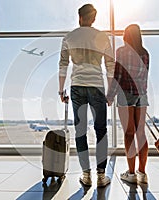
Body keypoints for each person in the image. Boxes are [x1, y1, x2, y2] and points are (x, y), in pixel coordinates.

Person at [58, 4, 115, 187]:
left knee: (80, 131)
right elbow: (110, 66)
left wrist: (61, 90)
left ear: (79, 17)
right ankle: (100, 175)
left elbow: (63, 65)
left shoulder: (69, 37)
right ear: (94, 19)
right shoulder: (103, 37)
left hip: (77, 86)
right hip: (97, 86)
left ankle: (86, 175)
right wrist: (110, 92)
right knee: (101, 131)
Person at [107, 24, 150, 184]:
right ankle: (142, 173)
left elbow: (118, 76)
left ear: (126, 36)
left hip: (126, 94)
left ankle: (131, 174)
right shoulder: (145, 53)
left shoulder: (122, 52)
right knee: (141, 133)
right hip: (142, 95)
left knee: (129, 134)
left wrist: (110, 95)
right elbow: (145, 76)